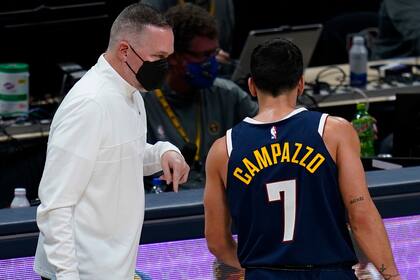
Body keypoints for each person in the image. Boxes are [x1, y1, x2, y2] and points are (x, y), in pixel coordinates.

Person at [204, 38, 400, 280]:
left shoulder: (223, 150)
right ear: (301, 84)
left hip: (264, 274)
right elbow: (360, 216)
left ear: (252, 86)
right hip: (328, 273)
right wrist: (392, 276)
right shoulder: (334, 131)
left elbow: (216, 241)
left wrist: (256, 267)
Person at [33, 3, 189, 280]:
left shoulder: (133, 95)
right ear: (125, 51)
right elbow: (55, 205)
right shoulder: (89, 104)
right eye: (158, 56)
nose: (165, 66)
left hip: (115, 270)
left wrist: (164, 152)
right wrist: (68, 277)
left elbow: (121, 157)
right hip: (81, 274)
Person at [142, 3, 257, 186]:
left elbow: (276, 129)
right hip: (168, 207)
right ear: (173, 57)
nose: (211, 63)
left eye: (214, 53)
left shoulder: (228, 95)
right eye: (202, 55)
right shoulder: (143, 104)